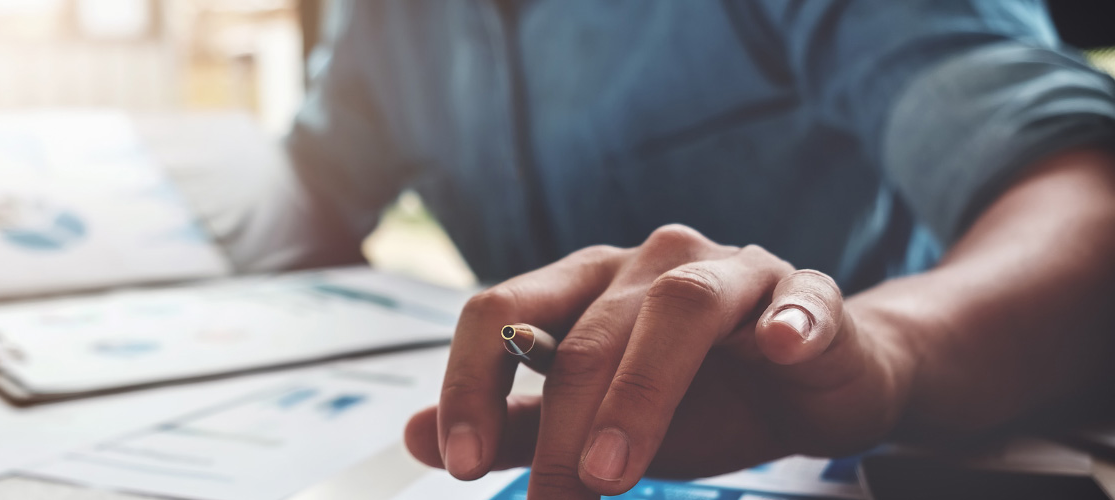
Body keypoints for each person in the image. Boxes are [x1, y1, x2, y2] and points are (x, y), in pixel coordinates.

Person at [214, 1, 1115, 498]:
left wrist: (894, 349)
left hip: (913, 441)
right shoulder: (389, 22)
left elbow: (1084, 190)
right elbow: (310, 198)